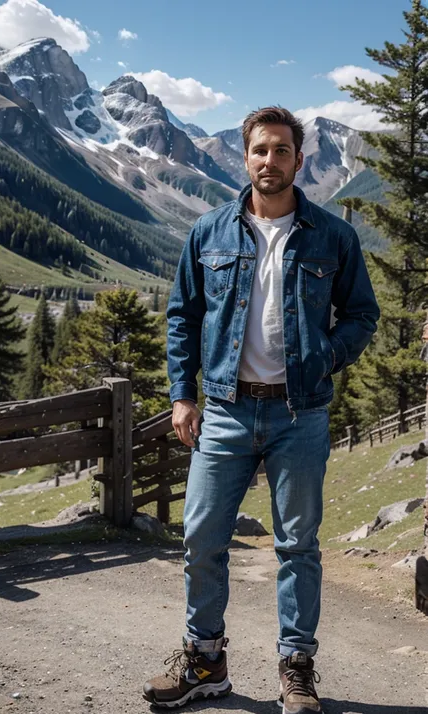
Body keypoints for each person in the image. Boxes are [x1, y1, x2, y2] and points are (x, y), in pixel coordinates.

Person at [143, 107, 380, 713]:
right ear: (243, 158)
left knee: (297, 544)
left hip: (299, 415)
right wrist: (182, 394)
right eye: (259, 151)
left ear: (299, 160)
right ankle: (205, 660)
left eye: (281, 151)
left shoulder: (333, 235)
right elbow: (182, 317)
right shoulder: (208, 233)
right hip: (223, 410)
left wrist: (326, 357)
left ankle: (296, 668)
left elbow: (362, 314)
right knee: (200, 538)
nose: (269, 161)